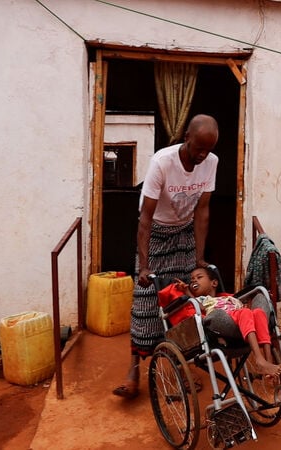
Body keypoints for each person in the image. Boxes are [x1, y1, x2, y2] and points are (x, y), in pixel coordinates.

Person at [113, 114, 220, 400]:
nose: (202, 155)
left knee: (183, 304)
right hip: (157, 233)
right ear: (187, 137)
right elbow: (145, 218)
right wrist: (145, 265)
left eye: (208, 149)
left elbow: (202, 211)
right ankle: (134, 371)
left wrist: (198, 257)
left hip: (184, 233)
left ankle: (180, 369)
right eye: (199, 147)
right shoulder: (162, 162)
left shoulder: (211, 163)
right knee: (145, 304)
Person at [166, 266, 281, 377]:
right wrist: (187, 291)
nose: (194, 281)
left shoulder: (227, 297)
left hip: (245, 323)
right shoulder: (201, 300)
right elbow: (201, 308)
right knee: (244, 313)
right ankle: (259, 359)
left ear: (214, 283)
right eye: (192, 280)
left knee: (258, 311)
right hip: (223, 324)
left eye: (199, 277)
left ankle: (268, 360)